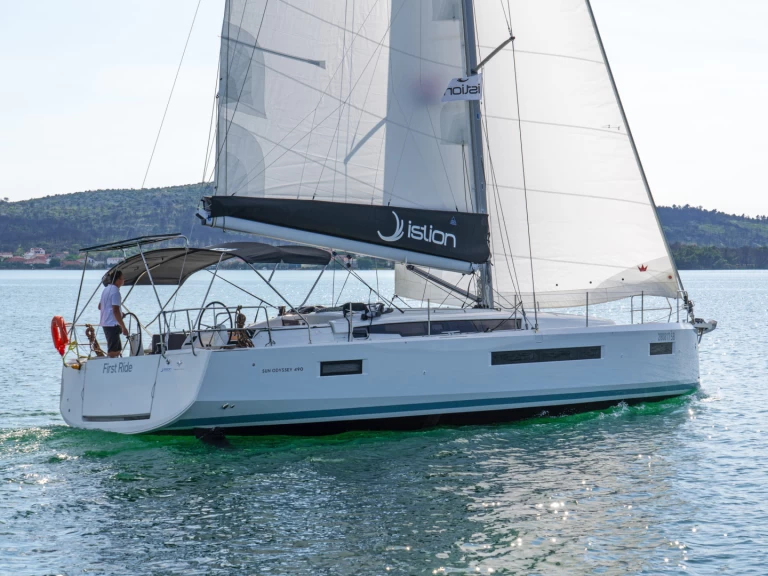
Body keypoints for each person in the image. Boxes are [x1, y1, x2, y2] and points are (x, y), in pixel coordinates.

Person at [98, 270, 128, 358]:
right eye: (123, 278)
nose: (124, 280)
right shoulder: (115, 292)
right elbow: (115, 310)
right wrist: (123, 327)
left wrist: (119, 312)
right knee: (114, 351)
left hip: (106, 322)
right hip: (112, 324)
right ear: (118, 280)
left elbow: (100, 306)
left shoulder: (106, 289)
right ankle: (108, 366)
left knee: (117, 350)